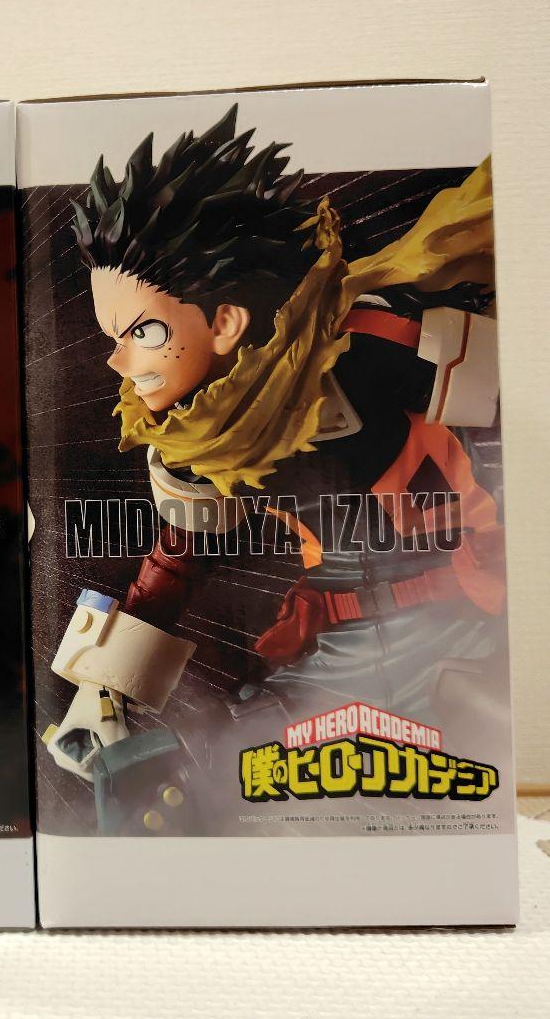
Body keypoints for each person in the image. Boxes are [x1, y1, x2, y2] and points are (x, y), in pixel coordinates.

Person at [45, 108, 506, 787]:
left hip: (466, 627)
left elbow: (508, 432)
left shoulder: (371, 347)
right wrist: (103, 691)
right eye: (114, 336)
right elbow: (177, 562)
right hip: (337, 654)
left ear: (226, 322)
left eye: (141, 332)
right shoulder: (199, 433)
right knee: (216, 779)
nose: (119, 361)